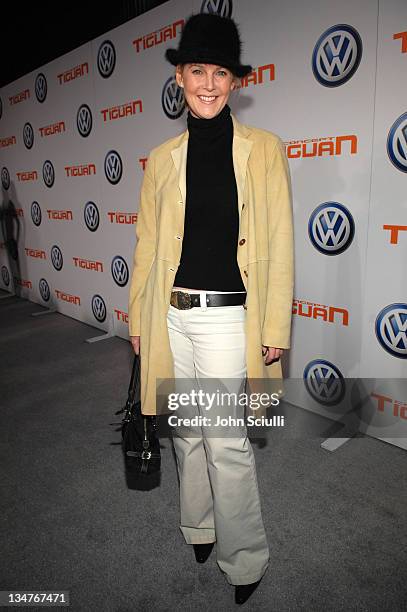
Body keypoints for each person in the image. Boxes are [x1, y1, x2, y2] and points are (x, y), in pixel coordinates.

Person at [128, 12, 294, 605]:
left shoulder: (264, 151)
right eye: (196, 69)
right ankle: (198, 525)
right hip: (170, 314)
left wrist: (274, 324)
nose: (207, 82)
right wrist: (137, 320)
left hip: (229, 317)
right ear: (178, 77)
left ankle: (245, 557)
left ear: (236, 83)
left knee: (226, 439)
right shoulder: (159, 159)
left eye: (219, 72)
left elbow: (277, 243)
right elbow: (147, 244)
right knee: (185, 432)